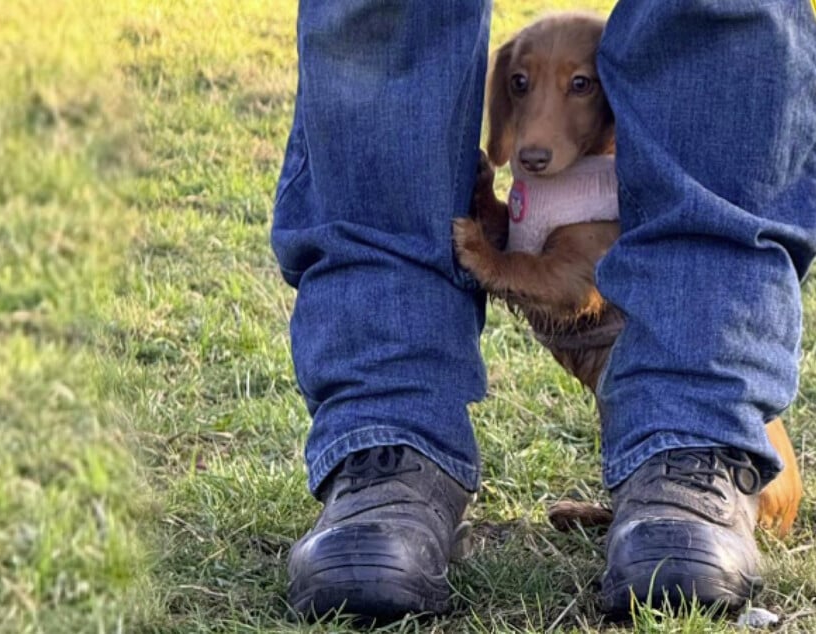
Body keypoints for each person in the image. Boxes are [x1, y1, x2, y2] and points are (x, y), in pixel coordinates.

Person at [270, 0, 816, 622]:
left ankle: (697, 440)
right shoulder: (551, 184)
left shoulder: (600, 187)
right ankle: (387, 440)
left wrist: (495, 263)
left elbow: (571, 284)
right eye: (523, 86)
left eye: (580, 87)